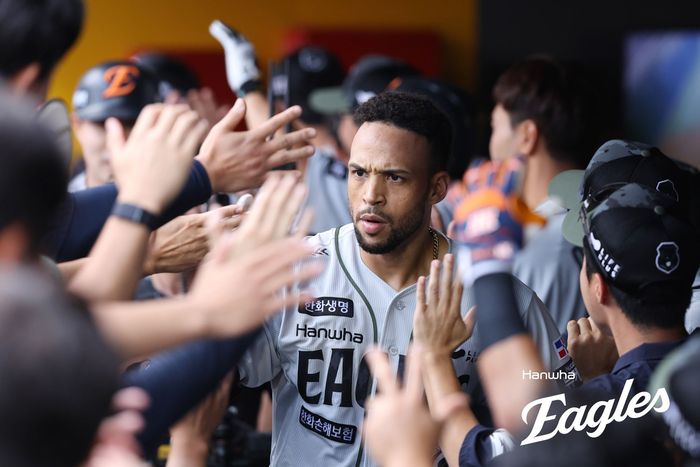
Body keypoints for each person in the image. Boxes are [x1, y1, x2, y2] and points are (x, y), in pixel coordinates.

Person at [235, 92, 572, 467]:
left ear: (436, 188)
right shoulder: (294, 269)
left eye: (394, 177)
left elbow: (558, 434)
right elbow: (217, 380)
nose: (371, 196)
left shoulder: (496, 296)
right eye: (359, 173)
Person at [414, 149, 699, 466]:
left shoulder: (606, 405)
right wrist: (594, 381)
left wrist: (434, 355)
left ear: (598, 287)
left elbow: (477, 454)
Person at [484, 56, 602, 332]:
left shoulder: (543, 244)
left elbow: (537, 359)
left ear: (527, 136)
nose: (491, 143)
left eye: (494, 126)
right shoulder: (603, 215)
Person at [69, 60, 160, 191]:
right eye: (103, 124)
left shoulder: (185, 200)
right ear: (77, 126)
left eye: (132, 123)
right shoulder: (52, 202)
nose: (117, 140)